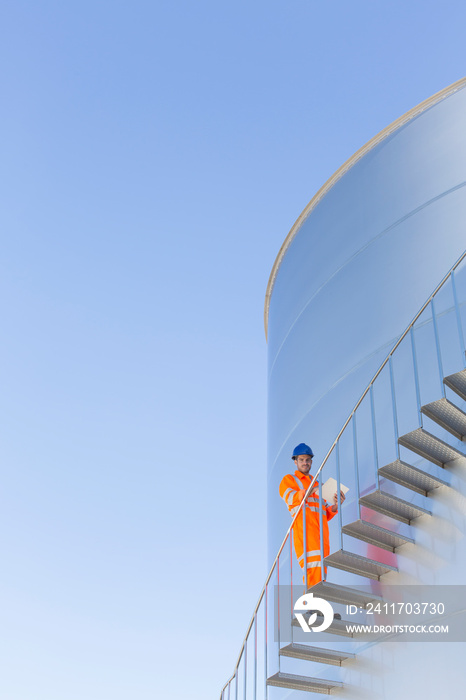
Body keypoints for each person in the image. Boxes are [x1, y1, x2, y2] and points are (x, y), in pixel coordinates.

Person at [279, 443, 345, 589]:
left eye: (307, 460)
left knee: (321, 573)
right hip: (306, 536)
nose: (305, 462)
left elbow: (326, 512)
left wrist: (336, 504)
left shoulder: (318, 484)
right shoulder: (289, 480)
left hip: (322, 536)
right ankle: (311, 606)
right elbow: (292, 498)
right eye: (301, 459)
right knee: (312, 571)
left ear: (311, 462)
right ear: (295, 461)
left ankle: (320, 608)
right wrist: (313, 489)